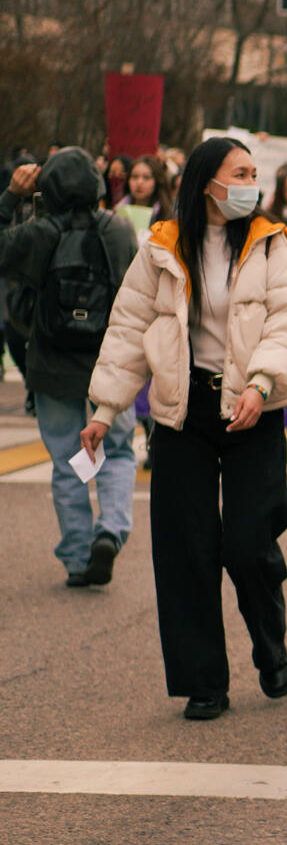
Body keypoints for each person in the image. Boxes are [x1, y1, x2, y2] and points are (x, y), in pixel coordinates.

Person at [82, 135, 287, 720]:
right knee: (185, 548)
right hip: (182, 411)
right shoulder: (161, 245)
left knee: (248, 543)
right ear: (208, 180)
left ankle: (269, 642)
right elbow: (130, 328)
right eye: (240, 172)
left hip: (252, 410)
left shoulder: (269, 243)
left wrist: (262, 384)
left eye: (254, 173)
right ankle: (203, 680)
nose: (250, 183)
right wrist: (105, 409)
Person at [0, 149, 139, 585]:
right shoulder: (119, 230)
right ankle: (110, 531)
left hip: (52, 360)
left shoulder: (38, 232)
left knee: (67, 458)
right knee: (116, 451)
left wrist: (10, 197)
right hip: (109, 362)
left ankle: (79, 556)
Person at [116, 155, 174, 235]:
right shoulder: (118, 212)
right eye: (135, 177)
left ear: (157, 182)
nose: (139, 182)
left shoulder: (167, 216)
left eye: (146, 178)